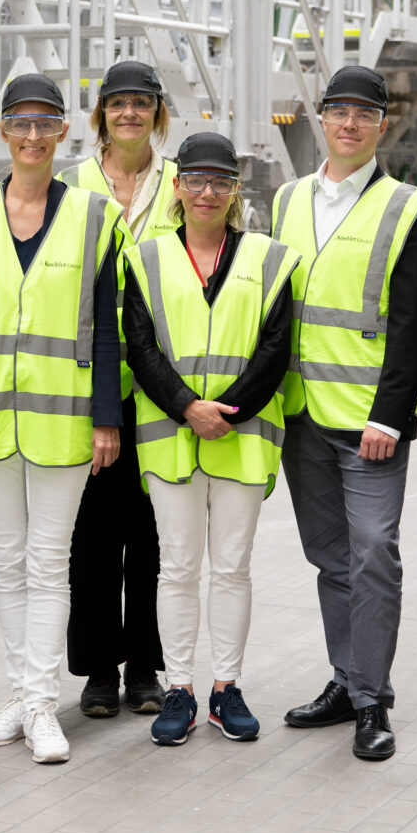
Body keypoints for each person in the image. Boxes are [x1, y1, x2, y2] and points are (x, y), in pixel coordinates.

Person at [0, 72, 123, 764]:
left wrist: (106, 417)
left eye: (47, 123)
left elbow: (106, 329)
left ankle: (43, 703)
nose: (34, 135)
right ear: (3, 130)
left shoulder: (95, 216)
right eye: (21, 121)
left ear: (64, 131)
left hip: (64, 420)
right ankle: (21, 693)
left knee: (49, 563)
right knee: (6, 562)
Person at [271, 65, 417, 761]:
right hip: (300, 414)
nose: (349, 123)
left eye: (363, 113)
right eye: (338, 111)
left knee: (373, 555)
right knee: (330, 557)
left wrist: (390, 416)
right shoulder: (286, 199)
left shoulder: (409, 208)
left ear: (380, 125)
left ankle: (372, 699)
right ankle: (346, 679)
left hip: (369, 422)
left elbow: (414, 324)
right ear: (321, 118)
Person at [122, 132, 298, 746]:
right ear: (176, 187)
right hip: (170, 436)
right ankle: (179, 688)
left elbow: (277, 346)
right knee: (176, 568)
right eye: (195, 180)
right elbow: (139, 345)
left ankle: (226, 687)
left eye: (220, 181)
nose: (207, 192)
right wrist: (186, 407)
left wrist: (228, 410)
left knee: (231, 568)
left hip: (242, 435)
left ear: (235, 190)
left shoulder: (271, 259)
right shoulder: (144, 258)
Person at [59, 59, 178, 718]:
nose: (129, 112)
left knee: (152, 535)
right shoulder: (70, 184)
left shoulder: (182, 184)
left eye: (141, 101)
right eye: (117, 102)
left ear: (157, 111)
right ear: (100, 112)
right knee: (92, 537)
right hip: (90, 386)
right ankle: (100, 669)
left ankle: (145, 666)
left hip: (162, 386)